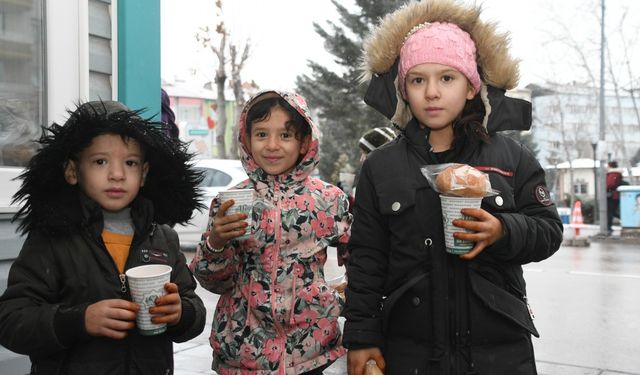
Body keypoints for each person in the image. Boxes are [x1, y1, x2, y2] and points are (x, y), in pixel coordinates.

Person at [342, 1, 564, 374]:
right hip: (409, 352)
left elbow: (548, 231)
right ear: (404, 89)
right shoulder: (381, 167)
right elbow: (366, 259)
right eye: (418, 79)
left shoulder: (512, 157)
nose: (431, 92)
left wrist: (503, 230)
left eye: (447, 78)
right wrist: (362, 338)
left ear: (471, 86)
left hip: (500, 353)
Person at [0, 100, 206, 374]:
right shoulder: (52, 239)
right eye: (100, 161)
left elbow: (194, 307)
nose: (117, 175)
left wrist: (181, 313)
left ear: (143, 174)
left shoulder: (162, 238)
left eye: (130, 162)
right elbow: (12, 320)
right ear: (73, 171)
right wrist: (79, 320)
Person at [189, 90, 352, 374]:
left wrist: (334, 300)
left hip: (309, 350)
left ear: (304, 143)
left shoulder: (328, 200)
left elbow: (363, 258)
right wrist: (216, 242)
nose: (272, 145)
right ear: (247, 139)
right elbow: (212, 281)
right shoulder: (230, 201)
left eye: (285, 135)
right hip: (242, 352)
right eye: (261, 134)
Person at [606, 160, 623, 235]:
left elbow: (610, 184)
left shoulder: (612, 174)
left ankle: (608, 227)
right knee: (613, 212)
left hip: (612, 196)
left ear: (610, 166)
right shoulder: (617, 174)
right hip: (615, 195)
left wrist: (606, 189)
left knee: (610, 212)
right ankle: (626, 219)